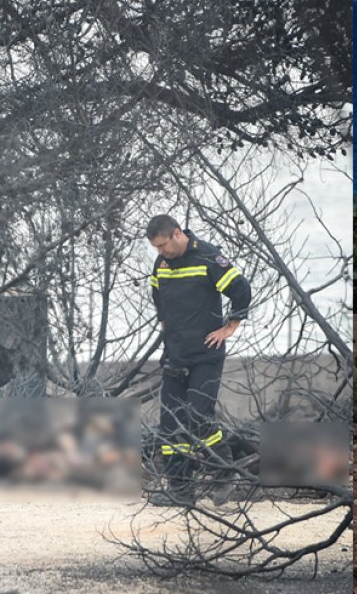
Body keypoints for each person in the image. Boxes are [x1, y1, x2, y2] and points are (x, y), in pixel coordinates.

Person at [146, 214, 251, 506]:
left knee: (198, 417)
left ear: (177, 234)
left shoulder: (208, 258)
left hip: (206, 354)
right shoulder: (161, 264)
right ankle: (180, 492)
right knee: (171, 425)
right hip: (175, 355)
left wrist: (230, 327)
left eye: (163, 245)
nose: (160, 252)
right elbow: (157, 293)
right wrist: (165, 322)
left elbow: (241, 289)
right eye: (155, 247)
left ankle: (225, 474)